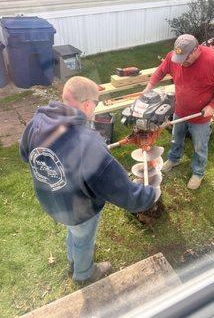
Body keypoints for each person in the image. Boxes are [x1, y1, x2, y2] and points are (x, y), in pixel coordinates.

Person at [20, 76, 159, 285]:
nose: (95, 109)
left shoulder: (37, 122)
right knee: (84, 237)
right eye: (95, 104)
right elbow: (121, 191)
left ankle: (72, 260)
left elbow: (25, 155)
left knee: (73, 231)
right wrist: (150, 195)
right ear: (86, 104)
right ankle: (84, 274)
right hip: (79, 208)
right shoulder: (88, 142)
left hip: (52, 201)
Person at [143, 34, 214, 190]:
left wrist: (212, 106)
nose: (182, 62)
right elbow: (160, 71)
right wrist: (148, 88)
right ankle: (174, 159)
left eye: (185, 58)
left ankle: (198, 172)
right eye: (179, 58)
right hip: (180, 109)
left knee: (199, 147)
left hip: (201, 116)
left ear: (196, 49)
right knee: (176, 138)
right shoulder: (174, 56)